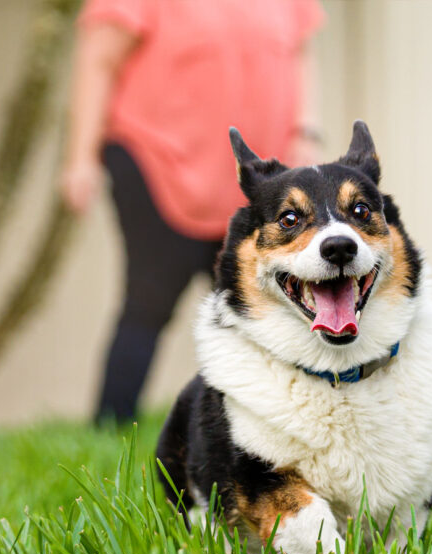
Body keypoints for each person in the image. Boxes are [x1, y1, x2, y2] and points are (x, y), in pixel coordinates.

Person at [61, 0, 325, 423]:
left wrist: (305, 130)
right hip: (158, 164)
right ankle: (110, 429)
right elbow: (98, 59)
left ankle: (273, 429)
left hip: (256, 178)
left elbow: (299, 51)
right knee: (149, 300)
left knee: (259, 310)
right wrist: (80, 158)